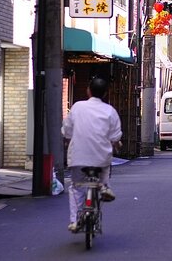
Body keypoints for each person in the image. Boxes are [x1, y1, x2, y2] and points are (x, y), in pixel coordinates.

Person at [62, 77, 122, 233]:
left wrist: (67, 139)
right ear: (105, 93)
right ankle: (104, 186)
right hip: (101, 158)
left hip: (78, 157)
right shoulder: (110, 111)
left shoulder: (77, 107)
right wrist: (116, 144)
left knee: (76, 188)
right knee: (104, 167)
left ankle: (75, 221)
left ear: (88, 90)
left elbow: (67, 131)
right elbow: (115, 136)